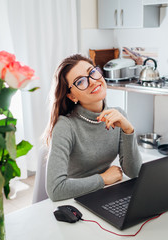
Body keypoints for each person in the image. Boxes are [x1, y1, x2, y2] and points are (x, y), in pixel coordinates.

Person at [44, 54, 142, 201]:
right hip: (73, 200)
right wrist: (103, 179)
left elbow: (135, 172)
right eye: (81, 81)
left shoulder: (118, 115)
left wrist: (128, 131)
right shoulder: (66, 126)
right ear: (72, 96)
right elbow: (55, 189)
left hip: (105, 194)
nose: (92, 81)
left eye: (92, 72)